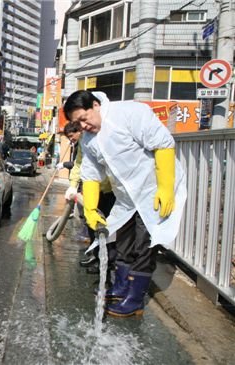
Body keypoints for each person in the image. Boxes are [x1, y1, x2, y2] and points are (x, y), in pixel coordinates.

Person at [63, 90, 186, 317]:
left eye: (84, 118)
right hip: (127, 198)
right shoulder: (89, 141)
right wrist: (90, 209)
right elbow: (91, 175)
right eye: (77, 123)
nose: (83, 126)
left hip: (153, 192)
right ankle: (121, 287)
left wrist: (166, 188)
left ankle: (134, 300)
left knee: (144, 245)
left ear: (96, 105)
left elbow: (163, 143)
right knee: (123, 243)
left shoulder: (129, 113)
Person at [60, 121, 116, 274]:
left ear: (79, 131)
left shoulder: (98, 139)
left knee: (105, 225)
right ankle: (96, 256)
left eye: (72, 136)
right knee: (91, 224)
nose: (71, 140)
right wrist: (73, 184)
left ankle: (108, 261)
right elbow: (79, 164)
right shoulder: (82, 145)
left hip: (108, 190)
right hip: (92, 190)